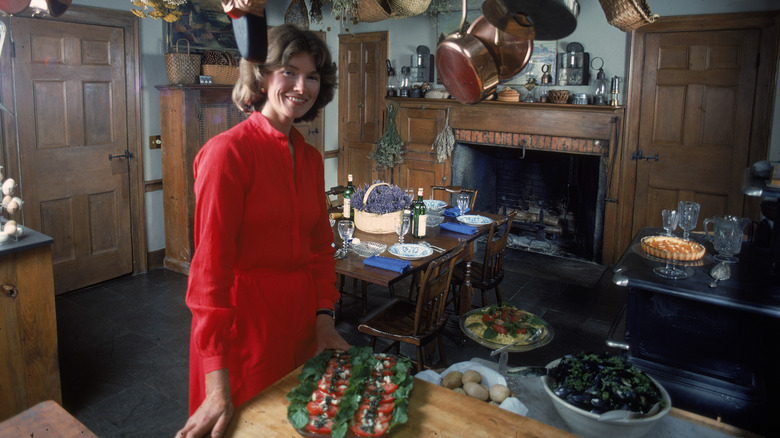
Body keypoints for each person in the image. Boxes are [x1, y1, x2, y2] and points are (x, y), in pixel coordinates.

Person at [176, 24, 351, 438]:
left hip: (302, 324)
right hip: (245, 330)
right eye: (289, 71)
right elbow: (209, 275)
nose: (301, 86)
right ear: (262, 75)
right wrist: (215, 384)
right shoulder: (227, 154)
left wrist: (323, 320)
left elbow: (319, 248)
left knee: (299, 426)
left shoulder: (308, 158)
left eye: (312, 76)